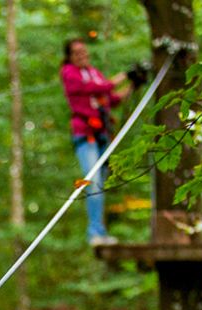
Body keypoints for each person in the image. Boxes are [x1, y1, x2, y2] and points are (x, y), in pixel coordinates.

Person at [60, 39, 130, 244]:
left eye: (83, 51)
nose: (81, 55)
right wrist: (123, 76)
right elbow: (97, 88)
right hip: (85, 135)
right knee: (93, 182)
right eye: (76, 53)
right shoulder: (70, 73)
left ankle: (99, 231)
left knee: (101, 184)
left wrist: (133, 84)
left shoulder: (94, 72)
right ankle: (95, 233)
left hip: (102, 134)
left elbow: (111, 99)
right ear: (70, 56)